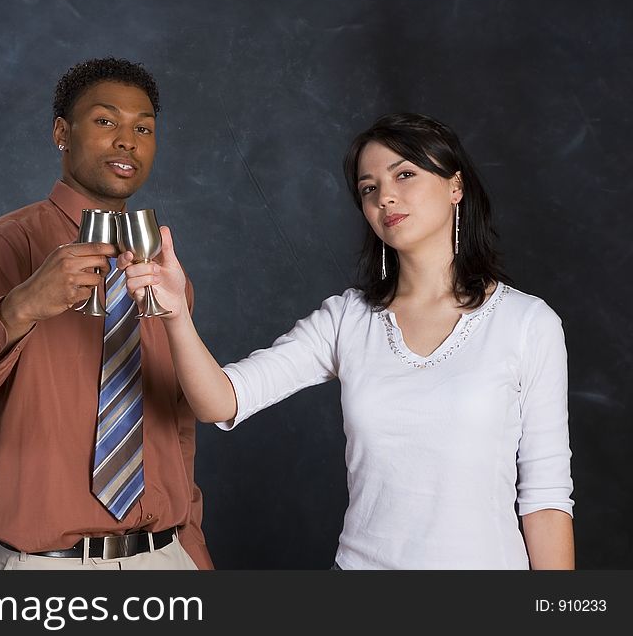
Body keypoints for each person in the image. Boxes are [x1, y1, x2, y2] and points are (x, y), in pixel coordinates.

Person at [119, 112, 574, 569]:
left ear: (455, 186)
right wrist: (174, 313)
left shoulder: (527, 323)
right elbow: (220, 401)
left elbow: (546, 498)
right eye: (369, 188)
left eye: (405, 174)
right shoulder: (347, 318)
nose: (386, 196)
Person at [0, 57, 212, 570]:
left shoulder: (162, 269)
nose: (127, 140)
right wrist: (21, 305)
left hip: (166, 558)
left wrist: (194, 553)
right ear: (61, 133)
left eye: (144, 128)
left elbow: (175, 427)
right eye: (105, 120)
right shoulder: (3, 246)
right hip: (49, 566)